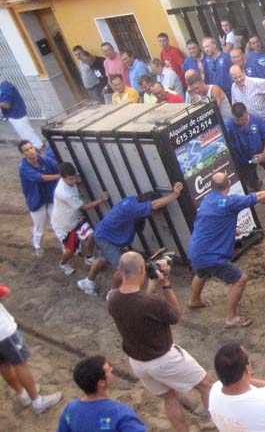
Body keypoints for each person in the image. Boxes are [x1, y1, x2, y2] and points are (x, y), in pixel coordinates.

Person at [108, 252, 212, 432]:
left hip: (139, 363)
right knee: (206, 385)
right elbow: (175, 315)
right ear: (142, 269)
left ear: (120, 270)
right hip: (164, 359)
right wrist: (165, 283)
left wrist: (151, 283)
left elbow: (135, 301)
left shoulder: (113, 299)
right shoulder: (152, 302)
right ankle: (222, 424)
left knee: (169, 397)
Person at [188, 172, 265, 328]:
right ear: (228, 185)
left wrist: (231, 229)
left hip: (196, 250)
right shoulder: (230, 202)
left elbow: (212, 218)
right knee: (239, 279)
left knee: (201, 273)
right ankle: (231, 318)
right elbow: (260, 196)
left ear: (212, 187)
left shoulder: (208, 199)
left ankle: (194, 301)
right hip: (212, 257)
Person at [77, 183, 183, 296]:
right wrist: (174, 194)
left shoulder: (132, 201)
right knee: (123, 269)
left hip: (105, 234)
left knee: (102, 259)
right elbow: (154, 205)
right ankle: (113, 294)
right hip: (106, 238)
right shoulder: (134, 208)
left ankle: (87, 282)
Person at [0, 285, 62, 414]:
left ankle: (22, 394)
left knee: (3, 364)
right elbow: (4, 291)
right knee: (20, 364)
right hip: (4, 332)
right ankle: (37, 401)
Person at [57, 355, 146, 432]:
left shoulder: (70, 409)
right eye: (109, 370)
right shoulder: (120, 412)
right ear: (101, 382)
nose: (111, 370)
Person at [51, 162, 108, 275]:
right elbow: (84, 207)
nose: (74, 181)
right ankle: (63, 263)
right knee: (71, 250)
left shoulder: (69, 182)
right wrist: (100, 200)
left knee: (91, 236)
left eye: (75, 178)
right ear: (63, 177)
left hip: (75, 219)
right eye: (71, 179)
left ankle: (89, 257)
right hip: (64, 225)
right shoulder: (63, 193)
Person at [224, 102, 265, 192]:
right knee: (252, 182)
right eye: (238, 120)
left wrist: (264, 153)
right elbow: (223, 138)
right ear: (233, 117)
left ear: (246, 113)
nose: (241, 122)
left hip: (261, 152)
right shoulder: (228, 124)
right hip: (243, 159)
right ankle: (261, 195)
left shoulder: (257, 119)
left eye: (243, 119)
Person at [18, 140, 59, 256]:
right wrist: (60, 176)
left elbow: (56, 166)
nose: (30, 151)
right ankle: (37, 247)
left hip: (49, 198)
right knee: (40, 228)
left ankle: (67, 247)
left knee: (57, 224)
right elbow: (41, 178)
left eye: (31, 148)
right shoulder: (23, 168)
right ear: (23, 154)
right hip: (36, 202)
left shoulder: (44, 159)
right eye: (26, 150)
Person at [1, 81, 46, 150]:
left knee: (30, 138)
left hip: (17, 115)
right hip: (15, 115)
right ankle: (40, 154)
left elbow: (6, 105)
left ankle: (43, 154)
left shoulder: (5, 87)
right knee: (27, 136)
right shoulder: (4, 86)